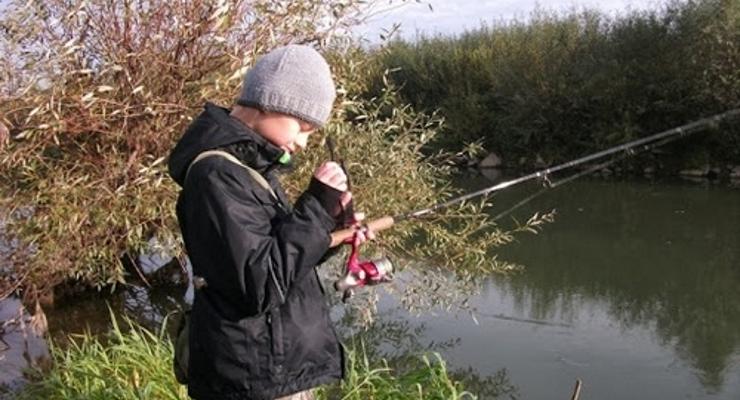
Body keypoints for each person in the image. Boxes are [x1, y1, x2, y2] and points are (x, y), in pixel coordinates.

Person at [167, 44, 372, 400]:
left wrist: (331, 225)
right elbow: (259, 284)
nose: (304, 142)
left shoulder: (249, 171)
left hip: (271, 374)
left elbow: (279, 262)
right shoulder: (216, 175)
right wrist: (314, 210)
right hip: (252, 380)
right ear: (269, 101)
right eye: (302, 125)